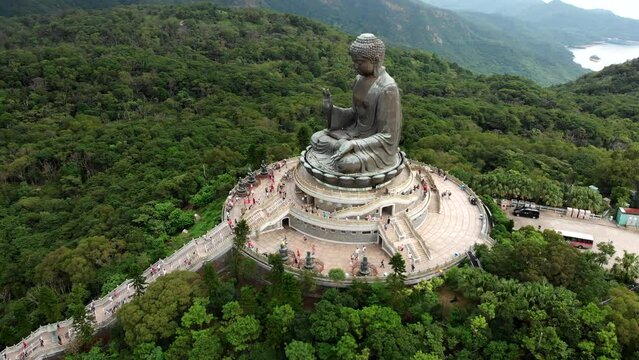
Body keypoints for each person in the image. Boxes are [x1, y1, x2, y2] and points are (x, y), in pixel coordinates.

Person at [308, 33, 402, 174]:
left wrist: (354, 144)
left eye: (359, 62)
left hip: (375, 147)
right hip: (352, 135)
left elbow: (388, 136)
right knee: (316, 138)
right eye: (354, 61)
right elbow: (354, 114)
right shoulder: (359, 79)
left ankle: (342, 150)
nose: (355, 66)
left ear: (375, 60)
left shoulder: (388, 88)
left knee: (346, 164)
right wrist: (331, 110)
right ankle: (340, 148)